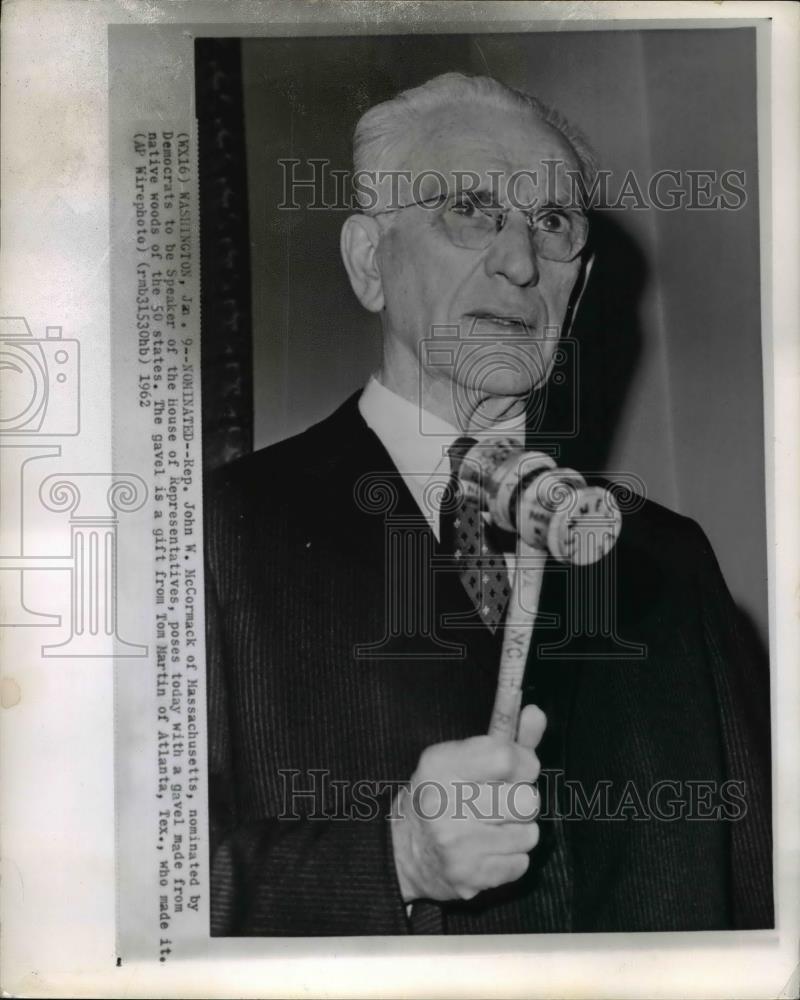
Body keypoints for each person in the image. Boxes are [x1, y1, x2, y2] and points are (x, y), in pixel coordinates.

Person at [204, 72, 772, 936]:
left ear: (574, 292)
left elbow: (758, 890)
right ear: (369, 263)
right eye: (470, 208)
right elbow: (123, 912)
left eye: (552, 226)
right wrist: (395, 857)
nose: (518, 261)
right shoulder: (215, 535)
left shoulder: (670, 558)